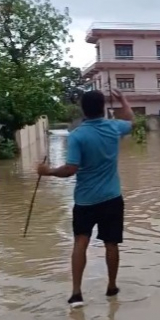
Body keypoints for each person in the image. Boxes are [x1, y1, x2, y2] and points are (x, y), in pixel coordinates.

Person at [37, 88, 134, 308]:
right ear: (102, 107)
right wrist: (123, 101)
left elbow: (71, 169)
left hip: (85, 201)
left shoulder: (78, 135)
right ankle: (111, 287)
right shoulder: (114, 127)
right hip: (112, 197)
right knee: (111, 243)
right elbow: (130, 120)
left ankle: (76, 293)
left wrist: (48, 171)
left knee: (81, 242)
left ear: (83, 109)